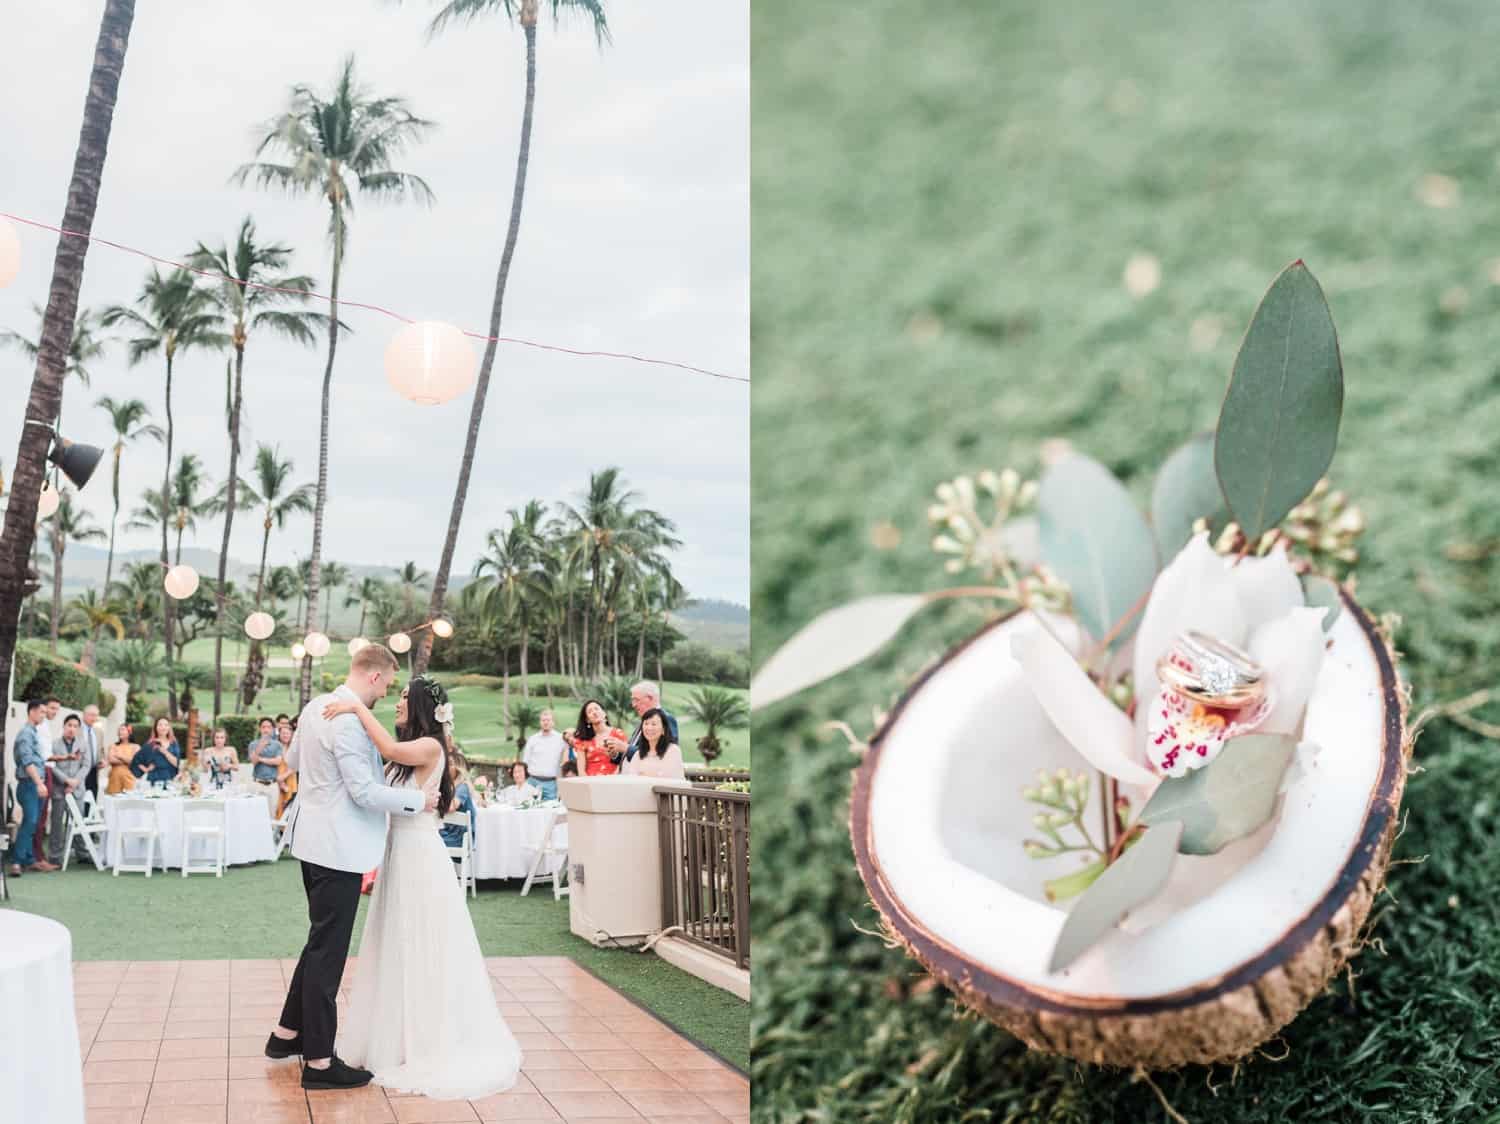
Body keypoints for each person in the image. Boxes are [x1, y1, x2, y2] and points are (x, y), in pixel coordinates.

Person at [316, 672, 522, 1098]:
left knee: (421, 943)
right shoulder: (406, 755)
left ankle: (426, 1040)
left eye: (405, 697)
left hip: (420, 859)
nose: (397, 702)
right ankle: (394, 1039)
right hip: (397, 855)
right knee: (395, 943)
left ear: (425, 709)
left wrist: (356, 707)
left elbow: (388, 747)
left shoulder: (428, 747)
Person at [265, 643, 439, 1091]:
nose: (388, 695)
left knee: (318, 941)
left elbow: (292, 762)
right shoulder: (347, 721)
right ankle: (320, 1063)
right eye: (389, 684)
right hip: (337, 850)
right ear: (376, 677)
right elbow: (363, 791)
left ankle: (287, 1035)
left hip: (310, 842)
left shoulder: (315, 706)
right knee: (329, 953)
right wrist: (419, 801)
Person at [9, 700, 56, 874]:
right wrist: (39, 783)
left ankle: (29, 859)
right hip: (30, 784)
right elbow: (27, 762)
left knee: (34, 823)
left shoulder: (33, 732)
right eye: (42, 712)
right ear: (32, 712)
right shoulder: (25, 734)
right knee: (30, 822)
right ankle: (15, 862)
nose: (45, 715)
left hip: (35, 783)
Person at [47, 715, 92, 865]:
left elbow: (86, 765)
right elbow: (51, 766)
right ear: (64, 726)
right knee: (57, 823)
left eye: (75, 726)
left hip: (77, 788)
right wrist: (66, 781)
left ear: (78, 729)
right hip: (59, 789)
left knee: (79, 821)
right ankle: (55, 857)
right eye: (69, 725)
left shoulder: (83, 744)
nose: (72, 729)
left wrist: (75, 782)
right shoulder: (54, 744)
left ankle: (82, 853)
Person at [562, 700, 627, 777]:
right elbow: (581, 770)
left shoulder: (618, 734)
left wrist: (612, 779)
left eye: (596, 709)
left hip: (614, 781)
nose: (594, 712)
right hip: (590, 783)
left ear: (604, 713)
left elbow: (624, 761)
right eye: (590, 711)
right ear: (587, 720)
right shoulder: (582, 740)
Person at [622, 708, 686, 780]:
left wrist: (643, 775)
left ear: (663, 730)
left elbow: (669, 780)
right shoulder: (638, 754)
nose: (649, 728)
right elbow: (632, 779)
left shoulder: (673, 751)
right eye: (646, 723)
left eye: (654, 724)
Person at [625, 680, 679, 764]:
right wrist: (616, 753)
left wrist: (625, 748)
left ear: (650, 698)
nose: (633, 705)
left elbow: (662, 752)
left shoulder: (667, 719)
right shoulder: (643, 721)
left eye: (636, 700)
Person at [519, 709, 567, 800]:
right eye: (543, 720)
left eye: (548, 720)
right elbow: (525, 762)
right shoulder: (533, 739)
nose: (545, 722)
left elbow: (565, 760)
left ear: (553, 722)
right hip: (532, 782)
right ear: (540, 722)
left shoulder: (561, 739)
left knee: (550, 811)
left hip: (551, 784)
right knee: (529, 810)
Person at [248, 717, 284, 818]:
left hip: (272, 785)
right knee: (255, 815)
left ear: (272, 729)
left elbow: (277, 761)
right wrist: (260, 747)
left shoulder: (277, 745)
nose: (266, 729)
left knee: (271, 815)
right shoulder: (253, 744)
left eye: (268, 727)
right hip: (257, 784)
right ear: (260, 729)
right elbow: (253, 761)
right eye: (263, 727)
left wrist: (261, 759)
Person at [439, 753, 475, 849]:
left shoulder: (463, 787)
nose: (446, 767)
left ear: (459, 768)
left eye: (450, 764)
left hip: (459, 837)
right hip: (447, 833)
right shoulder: (447, 787)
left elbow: (450, 807)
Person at [130, 718, 180, 786]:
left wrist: (165, 752)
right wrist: (145, 769)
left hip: (170, 779)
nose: (163, 727)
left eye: (166, 725)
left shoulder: (173, 743)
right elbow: (136, 760)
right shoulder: (150, 744)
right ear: (156, 728)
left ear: (169, 728)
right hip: (153, 779)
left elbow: (176, 763)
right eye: (160, 725)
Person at [79, 703, 103, 805]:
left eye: (96, 715)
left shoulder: (98, 731)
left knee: (92, 799)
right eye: (91, 715)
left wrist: (102, 760)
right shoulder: (76, 729)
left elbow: (101, 750)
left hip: (94, 771)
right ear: (84, 715)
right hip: (79, 770)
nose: (94, 718)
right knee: (80, 800)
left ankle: (88, 820)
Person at [105, 724, 137, 795]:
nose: (120, 732)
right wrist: (127, 759)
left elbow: (134, 762)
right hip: (114, 779)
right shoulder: (113, 746)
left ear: (129, 732)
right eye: (119, 730)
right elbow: (111, 760)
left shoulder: (135, 747)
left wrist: (119, 756)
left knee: (128, 802)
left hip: (129, 779)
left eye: (122, 729)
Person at [276, 721, 298, 817]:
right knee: (278, 807)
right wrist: (280, 781)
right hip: (277, 780)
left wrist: (284, 777)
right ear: (279, 734)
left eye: (288, 733)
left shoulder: (293, 748)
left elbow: (296, 766)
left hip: (290, 780)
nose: (285, 736)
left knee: (289, 809)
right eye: (283, 733)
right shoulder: (276, 748)